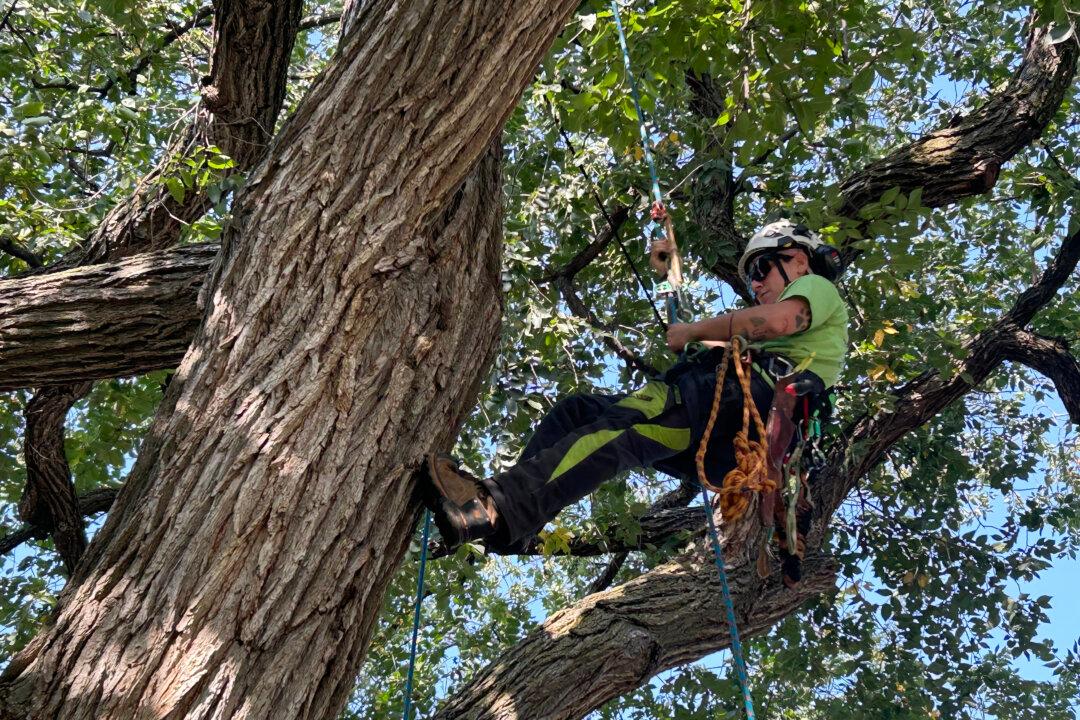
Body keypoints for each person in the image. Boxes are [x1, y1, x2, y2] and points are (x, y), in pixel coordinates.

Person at [421, 220, 849, 553]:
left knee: (617, 436)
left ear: (798, 259)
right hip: (725, 425)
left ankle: (492, 508)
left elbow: (773, 322)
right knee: (579, 413)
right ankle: (512, 522)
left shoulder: (814, 289)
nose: (755, 284)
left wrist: (691, 331)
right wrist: (668, 278)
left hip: (729, 407)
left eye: (760, 268)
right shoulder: (789, 338)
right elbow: (700, 336)